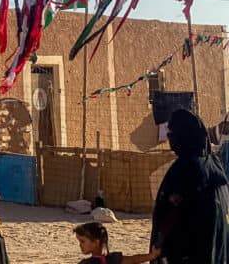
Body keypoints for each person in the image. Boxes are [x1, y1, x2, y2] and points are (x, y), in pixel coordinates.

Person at [151, 108, 229, 262]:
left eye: (172, 134)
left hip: (192, 251)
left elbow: (172, 211)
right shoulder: (214, 164)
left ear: (184, 135)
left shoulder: (187, 169)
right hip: (216, 249)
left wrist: (160, 244)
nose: (169, 139)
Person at [73, 221, 159, 263]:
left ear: (96, 242)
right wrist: (152, 255)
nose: (80, 245)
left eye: (82, 241)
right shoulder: (113, 259)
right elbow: (133, 259)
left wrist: (152, 255)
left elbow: (134, 259)